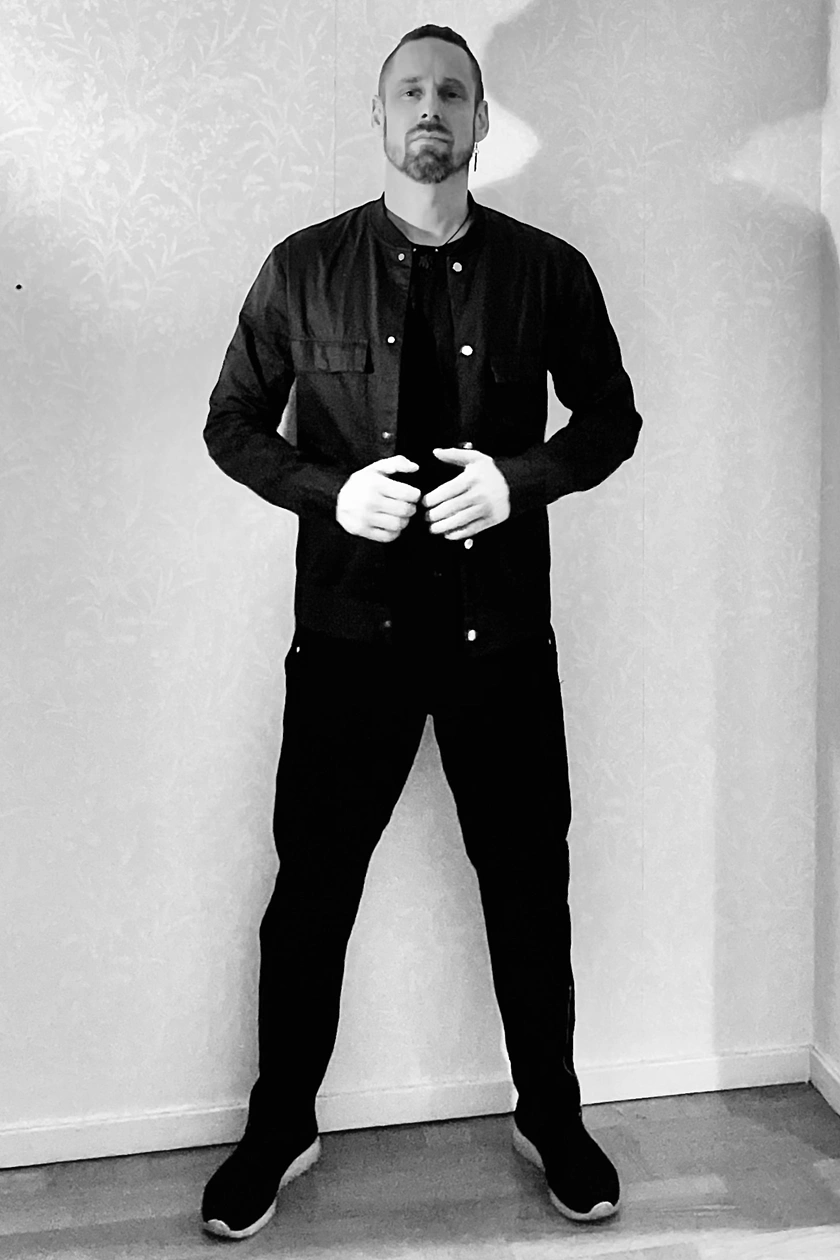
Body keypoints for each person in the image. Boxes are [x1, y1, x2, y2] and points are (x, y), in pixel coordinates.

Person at [200, 23, 642, 1241]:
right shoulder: (302, 267)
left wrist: (522, 481)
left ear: (481, 121)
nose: (431, 108)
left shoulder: (548, 270)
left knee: (529, 885)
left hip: (503, 642)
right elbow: (231, 423)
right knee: (312, 891)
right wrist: (328, 492)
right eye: (410, 91)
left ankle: (550, 1115)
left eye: (453, 90)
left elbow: (611, 419)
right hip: (351, 638)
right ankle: (281, 1127)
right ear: (380, 117)